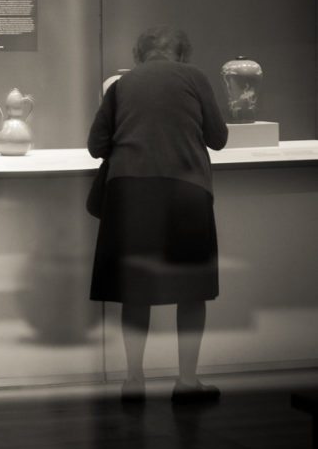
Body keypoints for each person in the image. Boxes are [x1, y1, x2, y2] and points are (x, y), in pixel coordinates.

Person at [88, 26, 228, 403]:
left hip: (129, 193)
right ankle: (186, 382)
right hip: (186, 191)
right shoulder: (194, 77)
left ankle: (134, 380)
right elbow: (218, 137)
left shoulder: (121, 85)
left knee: (136, 289)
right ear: (182, 54)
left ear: (140, 54)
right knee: (191, 290)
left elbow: (95, 145)